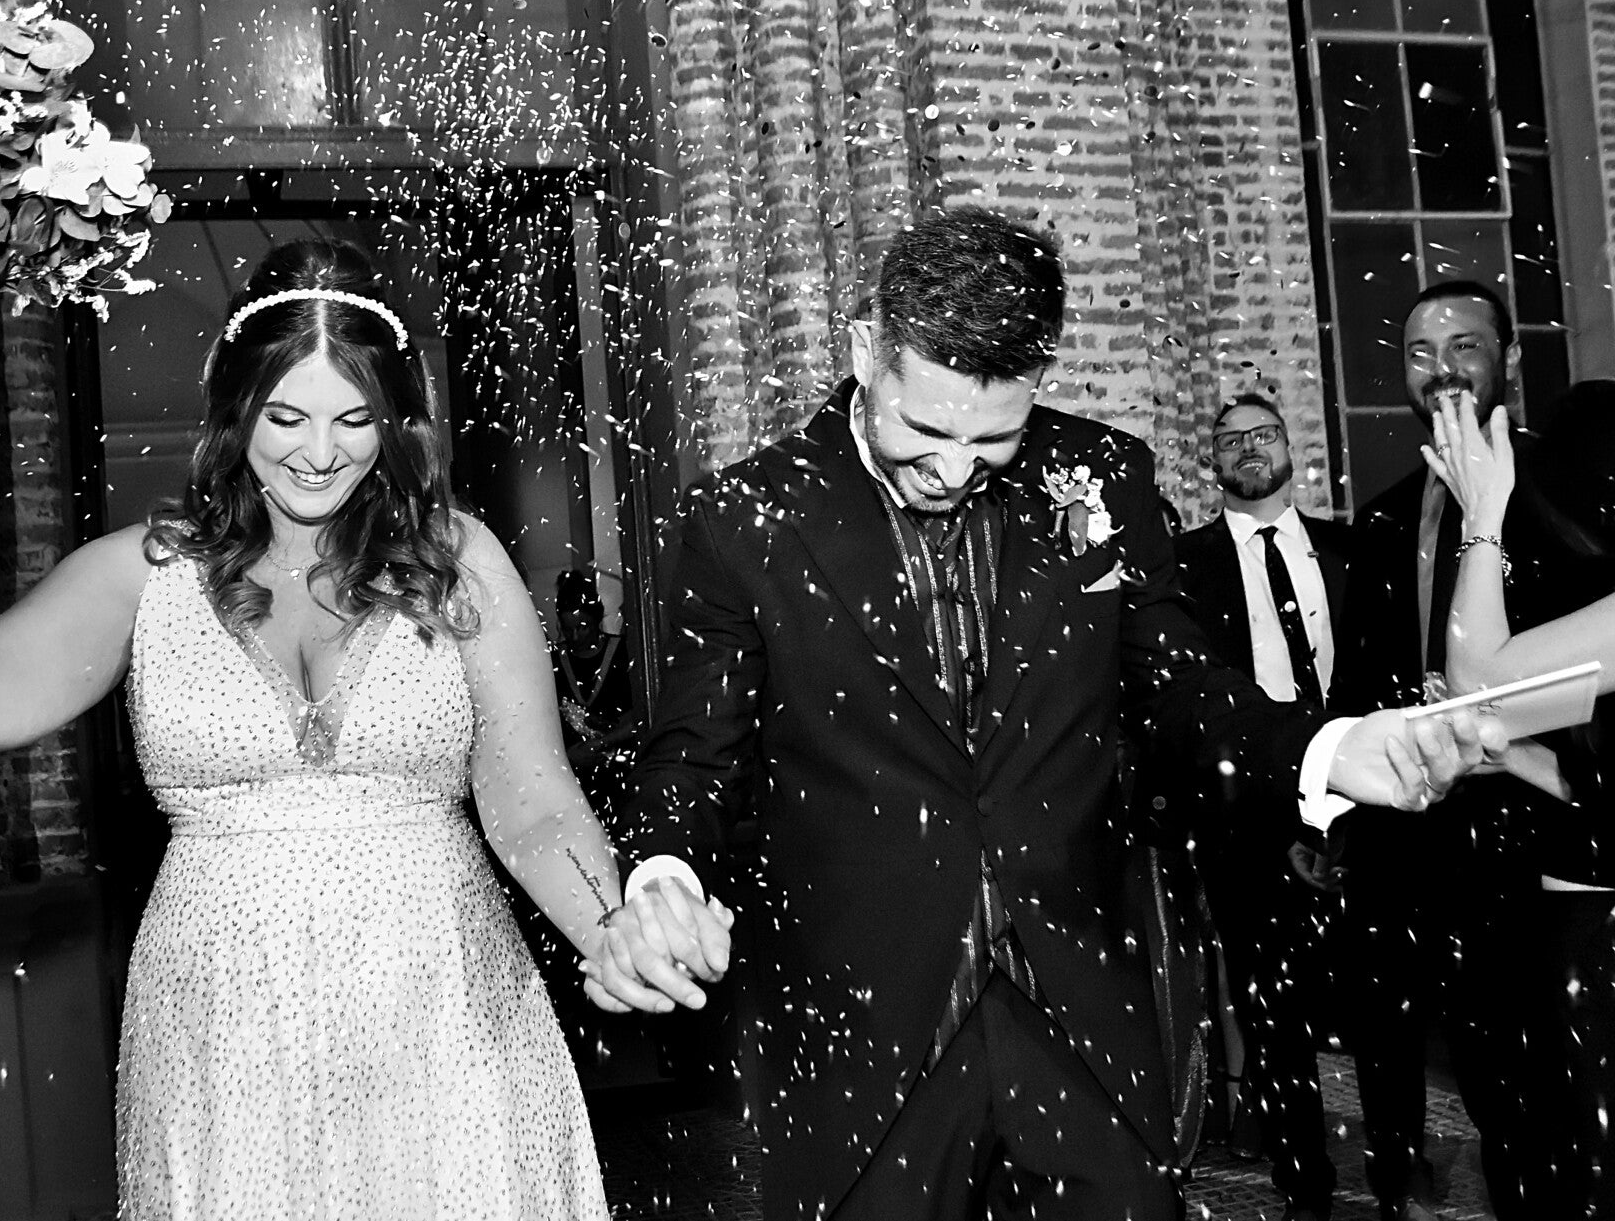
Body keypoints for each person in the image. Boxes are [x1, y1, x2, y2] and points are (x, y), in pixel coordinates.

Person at [590, 207, 1502, 1221]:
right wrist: (661, 879)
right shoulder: (746, 516)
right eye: (925, 432)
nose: (953, 470)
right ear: (866, 353)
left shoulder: (1105, 476)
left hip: (1082, 1031)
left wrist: (1330, 749)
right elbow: (693, 757)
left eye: (993, 439)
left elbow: (1184, 688)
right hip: (861, 1044)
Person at [0, 240, 702, 1219]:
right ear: (236, 409)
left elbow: (531, 798)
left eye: (354, 419)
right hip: (224, 1035)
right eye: (286, 417)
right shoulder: (148, 575)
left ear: (394, 419)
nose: (320, 452)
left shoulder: (456, 559)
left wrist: (608, 929)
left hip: (444, 1016)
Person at [1327, 280, 1581, 1220]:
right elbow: (1359, 680)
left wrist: (1507, 728)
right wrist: (1338, 811)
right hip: (1411, 834)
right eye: (1420, 353)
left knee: (1540, 1079)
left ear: (1508, 358)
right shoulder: (1386, 515)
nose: (1442, 369)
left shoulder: (1564, 491)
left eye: (1465, 345)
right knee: (1442, 1055)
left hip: (1538, 828)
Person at [1424, 381, 1615, 1215]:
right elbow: (1592, 781)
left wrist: (1483, 514)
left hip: (1600, 935)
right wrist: (1509, 749)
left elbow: (1479, 678)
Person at [1173, 392, 1351, 1220]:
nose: (1249, 447)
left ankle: (1394, 1165)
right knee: (1272, 1006)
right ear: (1212, 460)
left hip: (1358, 794)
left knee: (1381, 992)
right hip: (1248, 812)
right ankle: (1303, 1181)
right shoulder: (1185, 564)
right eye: (1231, 439)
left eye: (1264, 434)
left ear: (1289, 446)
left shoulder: (1349, 549)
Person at [551, 568, 639, 818]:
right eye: (567, 629)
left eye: (583, 627)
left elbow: (640, 716)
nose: (575, 636)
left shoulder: (623, 653)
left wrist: (600, 744)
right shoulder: (554, 662)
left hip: (623, 777)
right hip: (573, 783)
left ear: (597, 618)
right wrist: (569, 756)